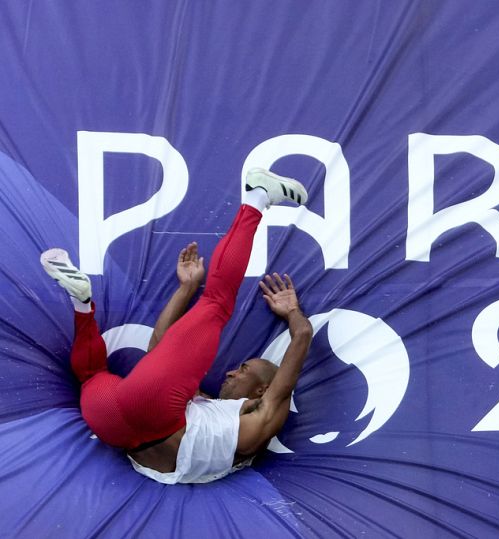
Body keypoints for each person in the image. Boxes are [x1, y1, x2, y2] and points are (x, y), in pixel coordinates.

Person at [40, 168, 314, 484]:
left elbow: (303, 334)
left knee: (217, 303)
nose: (230, 372)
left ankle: (256, 197)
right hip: (113, 425)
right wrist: (184, 289)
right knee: (90, 375)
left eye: (243, 369)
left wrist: (293, 312)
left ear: (265, 389)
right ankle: (82, 304)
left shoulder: (261, 415)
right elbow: (159, 350)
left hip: (149, 415)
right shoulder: (203, 407)